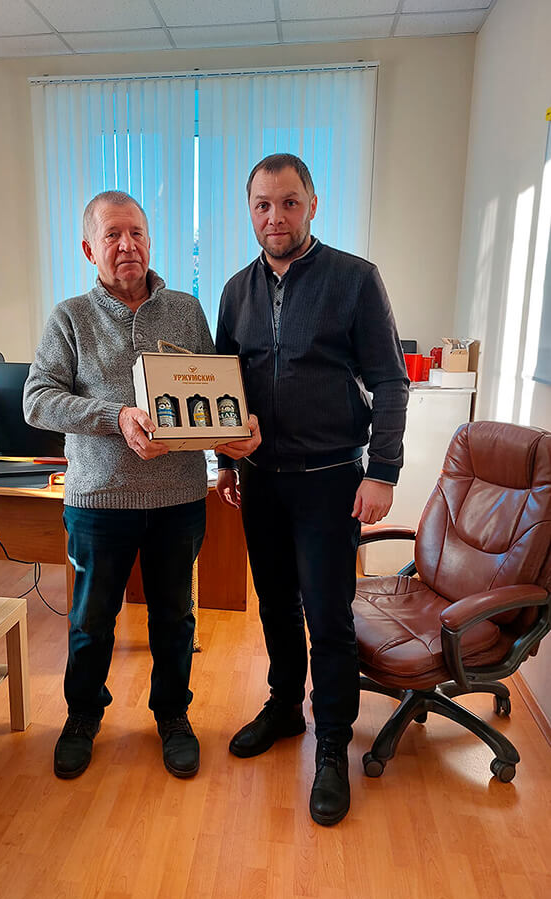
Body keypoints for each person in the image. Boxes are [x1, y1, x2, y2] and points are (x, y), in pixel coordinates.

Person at [24, 190, 251, 781]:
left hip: (178, 498)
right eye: (112, 235)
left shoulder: (186, 311)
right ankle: (82, 716)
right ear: (89, 249)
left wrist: (230, 445)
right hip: (99, 501)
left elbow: (212, 396)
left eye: (137, 233)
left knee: (175, 618)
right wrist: (117, 417)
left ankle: (172, 715)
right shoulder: (70, 317)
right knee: (91, 620)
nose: (127, 245)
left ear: (150, 240)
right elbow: (37, 400)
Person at [214, 154, 408, 826]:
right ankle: (283, 707)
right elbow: (223, 386)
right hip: (261, 482)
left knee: (327, 616)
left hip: (331, 480)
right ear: (250, 210)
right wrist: (223, 463)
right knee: (274, 605)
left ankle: (331, 741)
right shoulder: (235, 291)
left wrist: (382, 471)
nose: (276, 217)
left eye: (289, 202)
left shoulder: (354, 279)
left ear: (312, 205)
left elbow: (390, 380)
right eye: (263, 204)